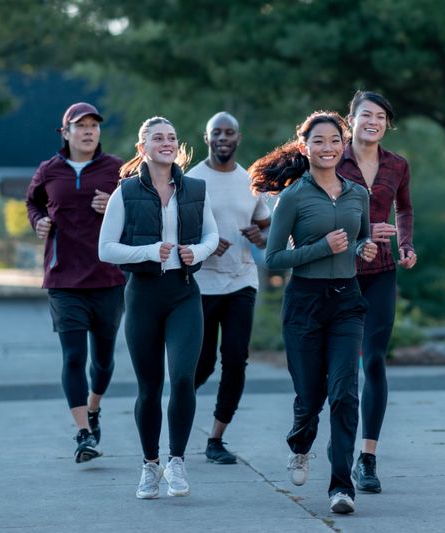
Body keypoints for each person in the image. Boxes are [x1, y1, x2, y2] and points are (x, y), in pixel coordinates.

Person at [249, 111, 378, 514]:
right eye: (318, 142)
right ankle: (300, 444)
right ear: (305, 147)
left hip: (346, 303)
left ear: (344, 146)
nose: (327, 148)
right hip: (304, 303)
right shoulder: (293, 196)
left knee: (344, 394)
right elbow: (273, 257)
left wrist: (363, 249)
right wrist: (324, 247)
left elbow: (362, 240)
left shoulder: (358, 193)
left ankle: (341, 486)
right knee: (310, 396)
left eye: (335, 141)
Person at [98, 116, 219, 499]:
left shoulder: (196, 189)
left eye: (171, 137)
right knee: (149, 388)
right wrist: (150, 251)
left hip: (184, 293)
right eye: (157, 138)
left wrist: (195, 252)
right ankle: (150, 466)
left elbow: (212, 235)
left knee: (183, 377)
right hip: (143, 295)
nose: (166, 143)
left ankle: (176, 461)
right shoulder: (125, 192)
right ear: (143, 148)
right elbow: (106, 249)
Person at [25, 102, 125, 464]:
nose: (88, 131)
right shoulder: (49, 170)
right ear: (64, 132)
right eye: (79, 125)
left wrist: (115, 202)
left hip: (108, 277)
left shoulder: (116, 169)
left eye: (93, 125)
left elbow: (142, 209)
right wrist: (37, 221)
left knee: (102, 362)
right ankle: (83, 433)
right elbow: (33, 202)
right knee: (73, 357)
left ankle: (94, 408)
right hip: (64, 279)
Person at [337, 91, 416, 494]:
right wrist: (362, 233)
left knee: (376, 363)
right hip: (337, 274)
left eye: (381, 116)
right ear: (350, 119)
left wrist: (406, 245)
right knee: (342, 368)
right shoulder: (333, 157)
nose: (373, 121)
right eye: (366, 114)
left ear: (388, 123)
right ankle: (337, 453)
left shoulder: (397, 165)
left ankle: (367, 459)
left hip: (382, 272)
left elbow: (403, 209)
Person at [187, 112, 271, 464]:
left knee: (236, 359)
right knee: (202, 364)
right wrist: (205, 242)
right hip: (202, 284)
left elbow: (268, 230)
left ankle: (216, 439)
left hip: (241, 281)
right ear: (207, 138)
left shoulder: (250, 179)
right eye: (216, 132)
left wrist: (259, 236)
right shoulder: (191, 179)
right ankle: (175, 415)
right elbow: (177, 231)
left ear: (238, 138)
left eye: (230, 132)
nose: (223, 138)